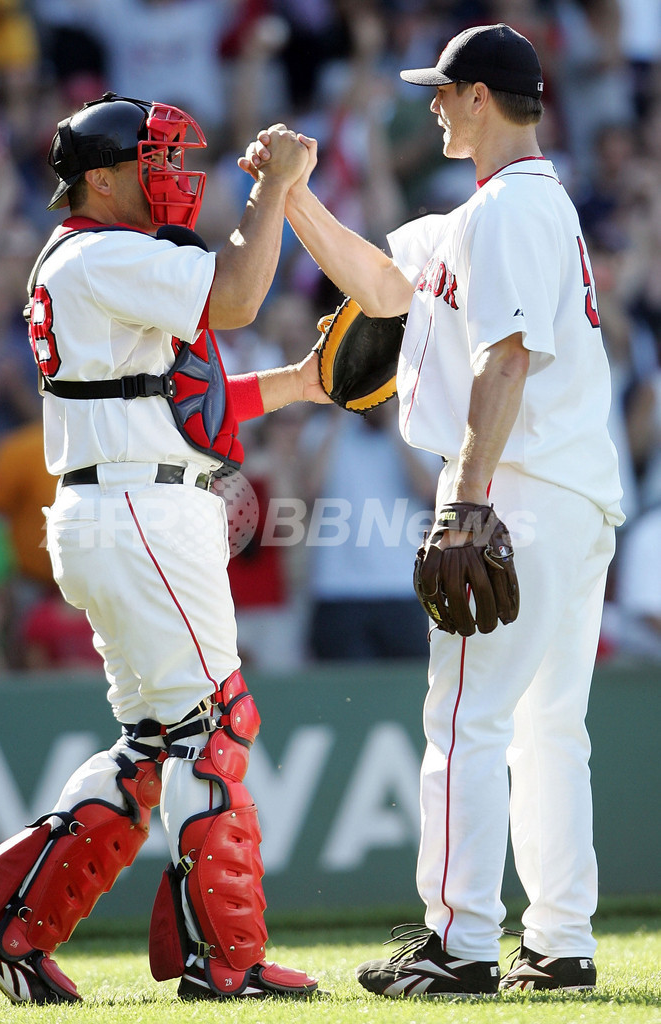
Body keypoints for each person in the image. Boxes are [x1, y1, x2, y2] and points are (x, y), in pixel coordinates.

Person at [241, 23, 624, 996]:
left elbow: (505, 359)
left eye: (446, 92)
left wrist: (466, 500)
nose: (434, 106)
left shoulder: (507, 210)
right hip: (571, 488)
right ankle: (561, 939)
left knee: (464, 716)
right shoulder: (492, 211)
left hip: (520, 482)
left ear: (484, 98)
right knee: (549, 728)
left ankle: (457, 941)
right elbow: (379, 283)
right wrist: (290, 197)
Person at [0, 91, 331, 1004]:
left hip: (123, 504)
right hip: (137, 514)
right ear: (100, 178)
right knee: (215, 728)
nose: (171, 177)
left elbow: (182, 409)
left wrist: (303, 382)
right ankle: (223, 958)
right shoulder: (103, 251)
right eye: (153, 162)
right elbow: (237, 297)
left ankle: (13, 930)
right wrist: (276, 186)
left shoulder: (99, 262)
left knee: (156, 740)